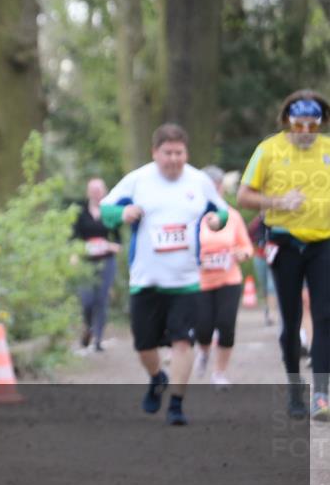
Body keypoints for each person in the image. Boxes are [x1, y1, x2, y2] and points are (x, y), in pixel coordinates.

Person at [100, 124, 228, 426]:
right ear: (154, 152)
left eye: (179, 153)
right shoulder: (138, 180)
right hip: (146, 280)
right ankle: (157, 377)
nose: (173, 159)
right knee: (144, 345)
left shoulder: (198, 181)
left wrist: (216, 220)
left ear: (187, 153)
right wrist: (122, 214)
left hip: (186, 282)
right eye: (167, 153)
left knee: (183, 343)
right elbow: (106, 210)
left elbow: (222, 211)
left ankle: (176, 404)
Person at [237, 90, 330, 421]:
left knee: (324, 316)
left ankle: (322, 394)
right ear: (287, 120)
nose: (305, 132)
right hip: (285, 242)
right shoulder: (269, 149)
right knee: (291, 320)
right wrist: (277, 202)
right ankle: (294, 390)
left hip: (323, 243)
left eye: (312, 126)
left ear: (321, 123)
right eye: (298, 125)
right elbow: (244, 196)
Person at [193, 166, 252, 388]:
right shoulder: (193, 215)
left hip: (229, 279)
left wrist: (242, 254)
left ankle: (219, 372)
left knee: (226, 325)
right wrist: (197, 259)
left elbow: (246, 246)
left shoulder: (232, 216)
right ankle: (203, 352)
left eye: (216, 186)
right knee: (203, 329)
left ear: (221, 188)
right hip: (201, 281)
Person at [72, 177, 122, 351]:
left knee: (101, 299)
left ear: (105, 191)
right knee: (87, 300)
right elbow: (73, 237)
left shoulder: (110, 212)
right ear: (88, 192)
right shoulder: (80, 212)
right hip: (85, 262)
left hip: (106, 261)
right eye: (93, 190)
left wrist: (109, 245)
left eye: (99, 190)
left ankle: (98, 339)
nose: (96, 193)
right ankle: (88, 327)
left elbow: (118, 242)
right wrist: (74, 254)